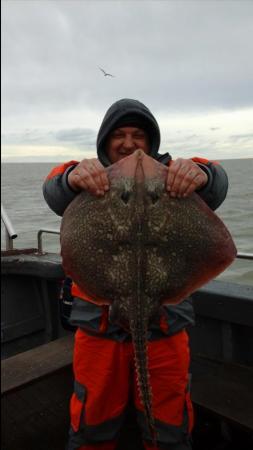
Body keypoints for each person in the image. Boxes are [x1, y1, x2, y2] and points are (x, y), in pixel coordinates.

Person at [43, 98, 228, 450]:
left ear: (152, 141)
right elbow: (53, 190)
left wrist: (201, 175)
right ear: (104, 141)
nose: (129, 144)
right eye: (119, 135)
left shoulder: (175, 172)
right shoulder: (87, 172)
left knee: (170, 427)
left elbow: (217, 180)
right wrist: (71, 179)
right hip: (99, 328)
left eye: (138, 135)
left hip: (164, 323)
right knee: (91, 423)